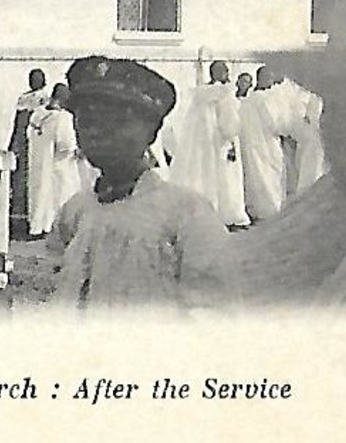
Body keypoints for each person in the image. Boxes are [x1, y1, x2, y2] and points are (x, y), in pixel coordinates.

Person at [45, 57, 233, 312]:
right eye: (87, 121)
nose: (97, 132)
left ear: (151, 133)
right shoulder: (75, 213)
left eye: (116, 122)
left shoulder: (186, 214)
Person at [164, 60, 250, 229]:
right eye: (225, 71)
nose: (227, 74)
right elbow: (229, 125)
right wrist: (232, 140)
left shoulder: (199, 96)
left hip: (201, 147)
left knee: (204, 176)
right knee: (227, 180)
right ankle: (230, 215)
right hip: (220, 145)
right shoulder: (225, 94)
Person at [27, 84, 81, 238]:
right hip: (59, 164)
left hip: (38, 162)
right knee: (60, 195)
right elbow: (66, 145)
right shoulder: (63, 118)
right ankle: (54, 226)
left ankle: (37, 226)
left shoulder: (37, 115)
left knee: (39, 192)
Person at [239, 66, 289, 221]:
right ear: (264, 78)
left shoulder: (246, 100)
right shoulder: (265, 99)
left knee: (254, 179)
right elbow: (275, 124)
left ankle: (255, 211)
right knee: (271, 179)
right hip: (267, 146)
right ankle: (271, 212)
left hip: (250, 145)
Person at [7, 69, 50, 205]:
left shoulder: (46, 99)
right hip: (23, 138)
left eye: (37, 79)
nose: (34, 82)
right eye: (32, 79)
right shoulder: (24, 98)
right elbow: (18, 122)